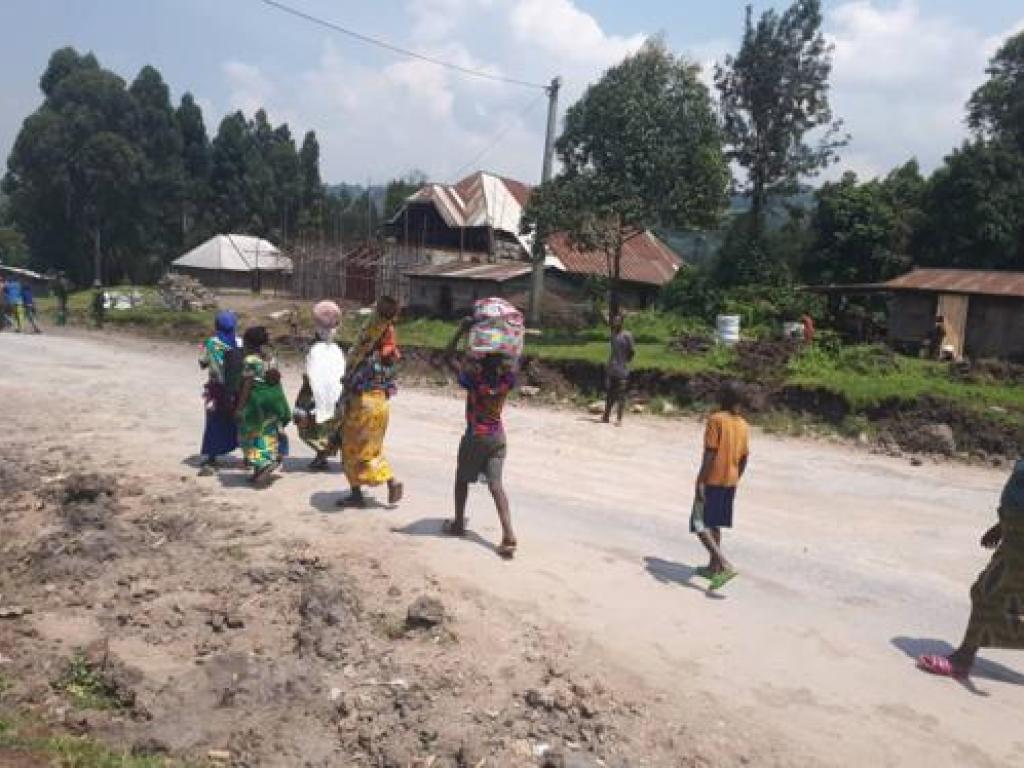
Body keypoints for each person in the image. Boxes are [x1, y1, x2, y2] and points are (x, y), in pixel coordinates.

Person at [917, 460, 1024, 680]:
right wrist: (1001, 526)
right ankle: (964, 657)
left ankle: (962, 660)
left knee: (989, 594)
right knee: (1000, 596)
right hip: (1014, 531)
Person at [442, 318, 518, 558]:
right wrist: (511, 334)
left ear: (482, 360)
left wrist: (462, 330)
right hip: (497, 436)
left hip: (477, 436)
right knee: (496, 486)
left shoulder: (475, 381)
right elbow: (515, 359)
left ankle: (457, 524)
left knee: (462, 480)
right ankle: (508, 533)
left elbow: (447, 358)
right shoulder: (506, 381)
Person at [338, 296, 404, 508]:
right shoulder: (388, 359)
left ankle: (373, 486)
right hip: (381, 403)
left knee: (350, 449)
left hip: (363, 404)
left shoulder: (364, 360)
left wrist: (344, 386)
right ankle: (385, 483)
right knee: (372, 448)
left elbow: (351, 380)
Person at [691, 381, 750, 592]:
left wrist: (700, 481)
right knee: (714, 523)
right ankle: (713, 567)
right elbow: (744, 458)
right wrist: (736, 476)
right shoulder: (743, 424)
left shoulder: (716, 420)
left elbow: (710, 453)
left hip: (713, 479)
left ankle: (724, 564)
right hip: (730, 481)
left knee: (698, 523)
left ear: (722, 398)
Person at [235, 326, 291, 486]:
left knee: (250, 433)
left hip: (257, 402)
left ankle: (265, 464)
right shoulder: (271, 358)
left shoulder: (250, 361)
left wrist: (239, 408)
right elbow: (275, 379)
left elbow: (247, 385)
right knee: (268, 433)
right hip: (273, 399)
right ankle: (260, 468)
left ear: (248, 344)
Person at [295, 301, 346, 470]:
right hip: (336, 398)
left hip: (315, 397)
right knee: (327, 427)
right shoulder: (337, 350)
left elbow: (311, 376)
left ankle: (321, 454)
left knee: (310, 426)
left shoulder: (316, 349)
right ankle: (323, 454)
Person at [198, 311, 242, 474]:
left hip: (216, 390)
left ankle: (212, 457)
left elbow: (202, 363)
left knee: (214, 422)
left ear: (217, 326)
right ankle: (248, 456)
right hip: (237, 390)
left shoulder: (211, 343)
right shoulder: (239, 342)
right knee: (239, 422)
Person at [602, 314, 635, 426]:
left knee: (621, 394)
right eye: (614, 321)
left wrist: (624, 362)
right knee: (610, 392)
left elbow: (632, 352)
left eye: (618, 321)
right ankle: (606, 415)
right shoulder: (613, 335)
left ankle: (619, 419)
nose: (616, 323)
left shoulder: (627, 335)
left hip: (622, 368)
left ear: (622, 322)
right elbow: (613, 351)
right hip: (613, 367)